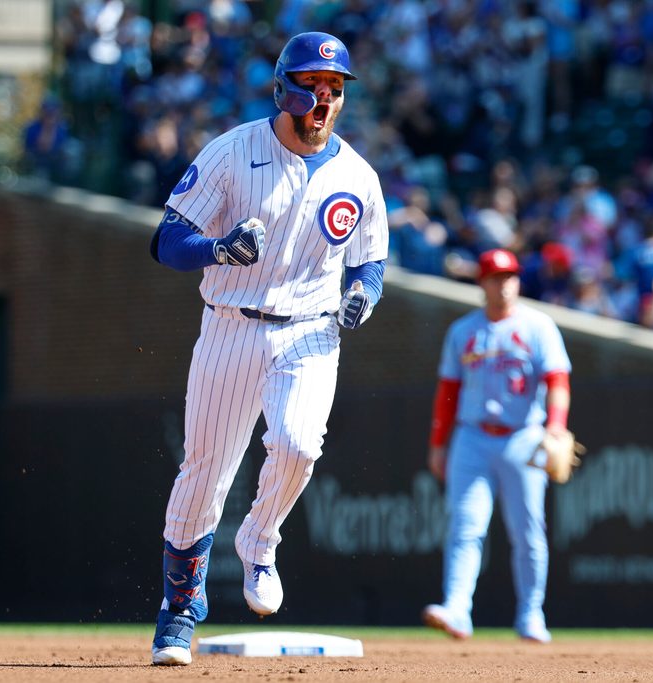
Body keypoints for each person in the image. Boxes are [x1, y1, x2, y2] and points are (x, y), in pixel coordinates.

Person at [146, 31, 389, 666]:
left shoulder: (357, 175)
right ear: (282, 88)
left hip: (311, 327)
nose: (323, 99)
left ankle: (260, 539)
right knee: (205, 472)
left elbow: (371, 263)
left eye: (333, 89)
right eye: (311, 85)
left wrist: (363, 295)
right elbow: (167, 242)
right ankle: (179, 613)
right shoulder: (233, 152)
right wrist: (218, 248)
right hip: (231, 320)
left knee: (299, 444)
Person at [423, 248, 573, 643]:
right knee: (465, 526)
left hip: (523, 436)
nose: (504, 284)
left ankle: (531, 615)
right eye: (495, 277)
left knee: (528, 532)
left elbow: (558, 380)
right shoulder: (463, 331)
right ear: (482, 283)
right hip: (471, 437)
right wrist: (439, 444)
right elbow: (447, 392)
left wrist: (556, 427)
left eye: (509, 277)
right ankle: (457, 610)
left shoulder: (539, 326)